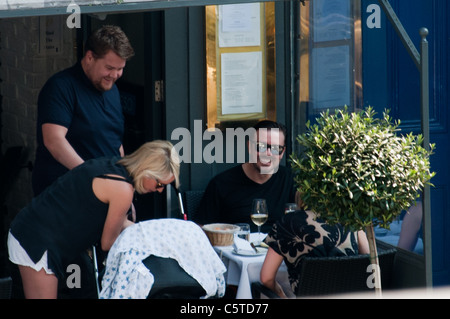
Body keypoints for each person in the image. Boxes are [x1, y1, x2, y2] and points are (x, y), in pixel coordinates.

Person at [7, 140, 180, 299]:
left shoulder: (113, 167)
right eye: (160, 184)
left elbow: (118, 222)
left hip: (32, 230)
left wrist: (150, 235)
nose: (160, 191)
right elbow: (108, 243)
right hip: (37, 241)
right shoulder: (123, 189)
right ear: (148, 171)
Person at [32, 25, 135, 196]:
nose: (115, 75)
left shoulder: (113, 90)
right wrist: (90, 176)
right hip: (66, 192)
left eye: (120, 69)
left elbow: (115, 142)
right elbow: (54, 140)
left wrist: (122, 185)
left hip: (105, 190)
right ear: (89, 57)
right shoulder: (61, 86)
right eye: (109, 68)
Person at [194, 120, 296, 233]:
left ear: (282, 152)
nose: (268, 153)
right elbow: (200, 229)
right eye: (260, 147)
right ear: (249, 147)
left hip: (280, 249)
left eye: (276, 148)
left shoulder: (292, 180)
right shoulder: (221, 184)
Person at [260, 209, 370, 298]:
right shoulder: (351, 221)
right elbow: (369, 261)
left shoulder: (287, 223)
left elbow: (266, 278)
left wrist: (280, 294)